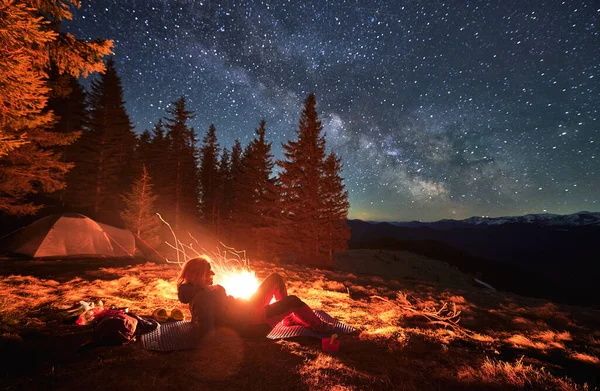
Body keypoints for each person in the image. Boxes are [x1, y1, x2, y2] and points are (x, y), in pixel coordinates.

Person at [177, 256, 334, 337]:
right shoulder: (203, 298)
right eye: (209, 271)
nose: (213, 274)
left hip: (246, 310)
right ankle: (318, 326)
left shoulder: (201, 290)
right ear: (199, 275)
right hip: (251, 324)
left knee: (275, 279)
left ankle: (288, 319)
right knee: (293, 301)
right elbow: (205, 330)